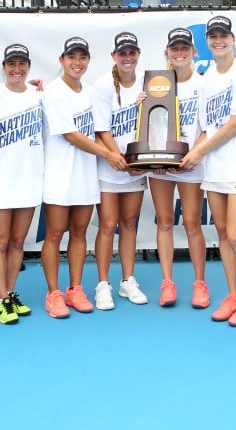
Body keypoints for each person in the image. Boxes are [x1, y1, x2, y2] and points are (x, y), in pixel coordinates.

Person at [180, 15, 236, 327]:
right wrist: (190, 154)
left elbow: (234, 125)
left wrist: (200, 150)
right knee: (223, 235)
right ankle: (233, 295)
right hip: (214, 170)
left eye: (223, 35)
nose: (218, 40)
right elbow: (206, 126)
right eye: (213, 36)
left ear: (233, 39)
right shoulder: (208, 76)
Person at [40, 37, 126, 318]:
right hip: (59, 175)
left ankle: (75, 288)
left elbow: (105, 124)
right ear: (61, 60)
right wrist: (108, 154)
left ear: (88, 60)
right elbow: (70, 134)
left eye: (82, 57)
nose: (77, 62)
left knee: (79, 232)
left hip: (86, 174)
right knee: (54, 234)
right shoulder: (52, 92)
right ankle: (54, 293)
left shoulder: (92, 92)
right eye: (71, 57)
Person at [0, 44, 43, 324]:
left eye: (22, 63)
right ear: (3, 66)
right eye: (11, 64)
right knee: (0, 241)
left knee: (17, 241)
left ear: (28, 66)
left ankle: (11, 292)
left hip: (28, 177)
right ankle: (2, 299)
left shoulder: (39, 96)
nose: (17, 69)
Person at [146, 27, 209, 308]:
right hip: (160, 165)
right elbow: (149, 122)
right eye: (175, 48)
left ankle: (200, 283)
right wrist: (153, 156)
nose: (180, 52)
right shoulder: (156, 83)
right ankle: (167, 283)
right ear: (167, 52)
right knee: (165, 221)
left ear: (194, 52)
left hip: (190, 164)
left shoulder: (205, 84)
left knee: (193, 224)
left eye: (185, 47)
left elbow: (210, 128)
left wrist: (194, 155)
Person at [91, 31, 149, 310]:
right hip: (111, 166)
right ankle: (103, 284)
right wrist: (118, 158)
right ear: (114, 56)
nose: (127, 57)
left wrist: (141, 161)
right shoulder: (103, 85)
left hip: (136, 168)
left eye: (132, 52)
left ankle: (128, 279)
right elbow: (101, 130)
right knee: (107, 224)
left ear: (138, 55)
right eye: (122, 53)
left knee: (129, 224)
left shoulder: (149, 81)